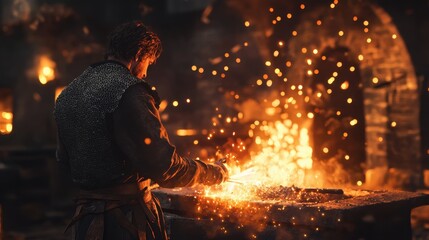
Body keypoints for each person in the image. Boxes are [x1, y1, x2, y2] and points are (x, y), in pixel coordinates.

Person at [54, 21, 228, 240]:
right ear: (138, 54)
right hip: (125, 224)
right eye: (148, 62)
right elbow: (165, 168)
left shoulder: (69, 92)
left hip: (85, 224)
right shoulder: (129, 90)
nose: (145, 73)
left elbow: (64, 160)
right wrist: (213, 173)